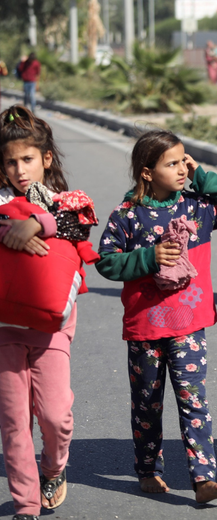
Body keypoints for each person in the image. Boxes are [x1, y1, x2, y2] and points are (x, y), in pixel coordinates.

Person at [95, 129, 217, 503]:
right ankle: (148, 468)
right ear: (147, 172)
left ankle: (204, 479)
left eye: (184, 161)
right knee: (147, 401)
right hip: (145, 327)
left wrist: (202, 175)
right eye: (172, 163)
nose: (181, 169)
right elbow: (106, 263)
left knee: (194, 400)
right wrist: (148, 259)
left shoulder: (196, 207)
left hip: (189, 326)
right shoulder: (126, 216)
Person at [0, 105, 99, 520]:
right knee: (13, 420)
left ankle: (53, 469)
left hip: (51, 326)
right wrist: (8, 229)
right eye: (9, 161)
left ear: (46, 159)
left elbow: (81, 222)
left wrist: (37, 224)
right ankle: (25, 505)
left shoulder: (64, 201)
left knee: (55, 416)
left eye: (27, 159)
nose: (19, 169)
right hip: (4, 324)